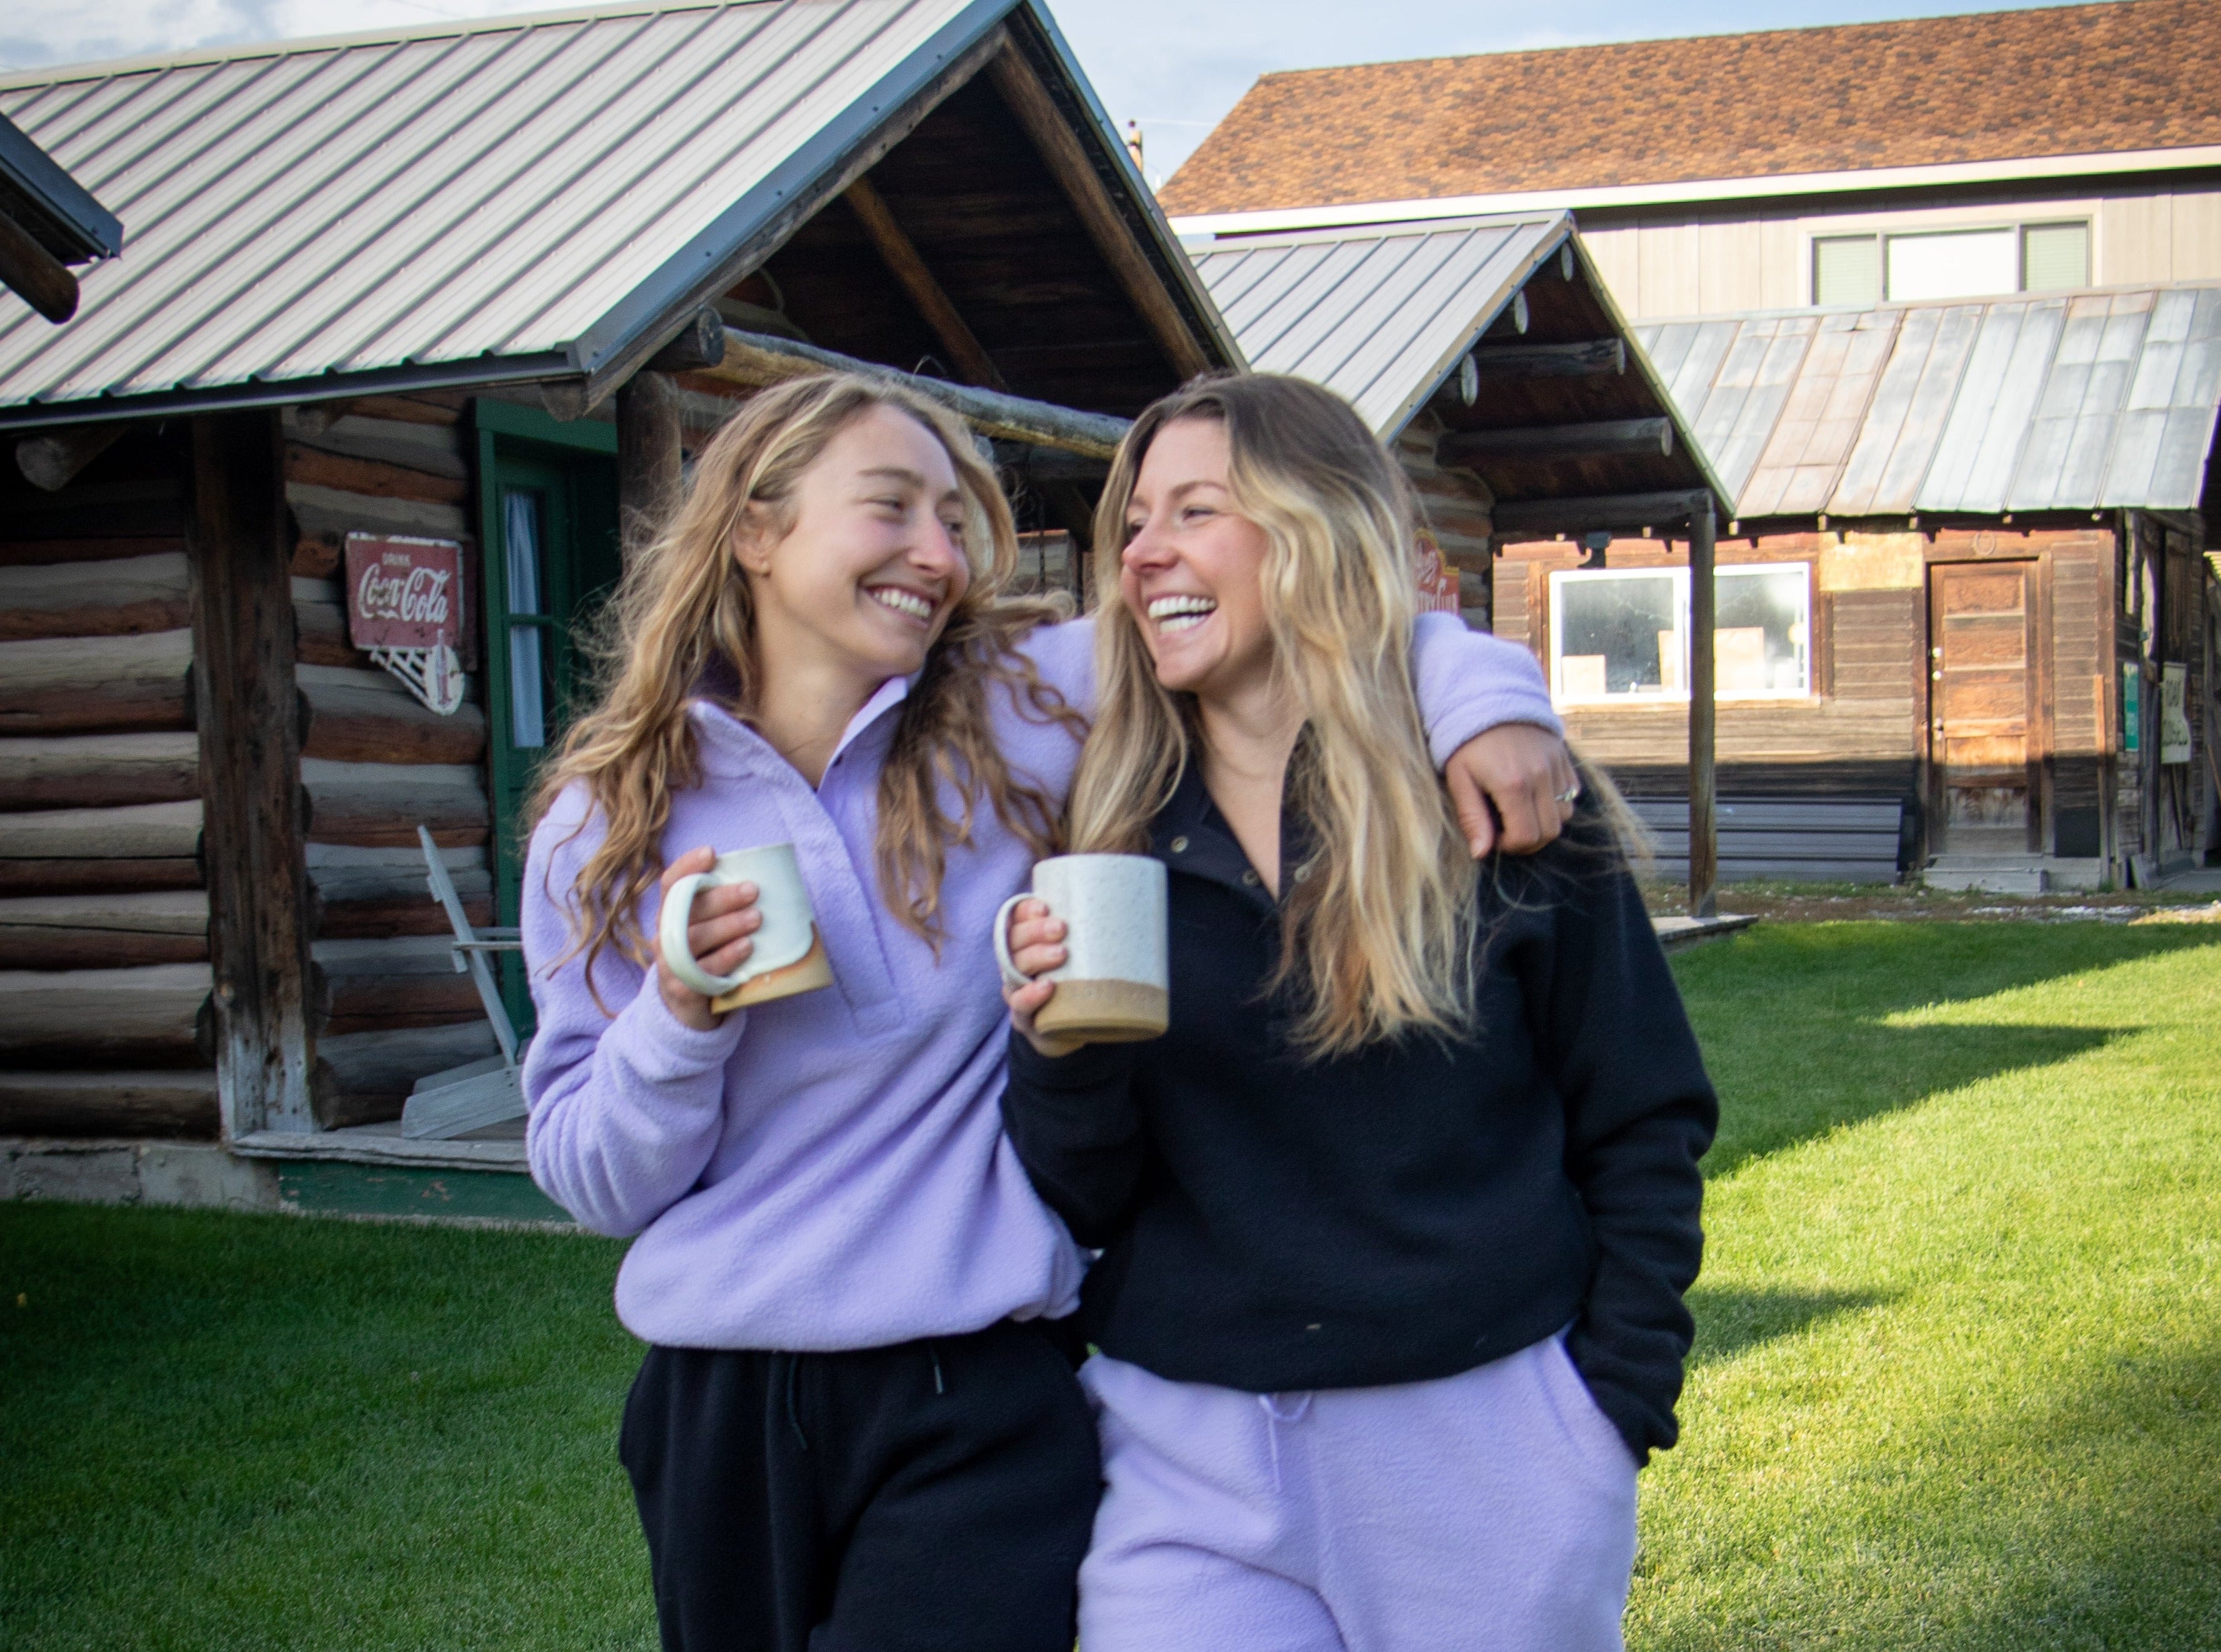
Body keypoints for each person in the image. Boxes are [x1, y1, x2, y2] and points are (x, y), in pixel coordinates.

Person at [517, 370, 1576, 1652]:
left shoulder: (1018, 707)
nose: (938, 552)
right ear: (754, 529)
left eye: (954, 518)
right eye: (891, 508)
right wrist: (676, 1020)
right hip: (719, 1411)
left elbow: (1295, 607)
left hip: (981, 1387)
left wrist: (1485, 697)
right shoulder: (605, 819)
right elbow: (594, 1178)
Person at [1001, 373, 1719, 1652]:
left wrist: (1607, 1408)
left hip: (1485, 1446)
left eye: (1196, 510)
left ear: (1315, 527)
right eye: (1134, 524)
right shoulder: (1101, 830)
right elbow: (1088, 1194)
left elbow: (1644, 1117)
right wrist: (1056, 1058)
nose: (1143, 551)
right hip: (1187, 1457)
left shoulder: (1510, 805)